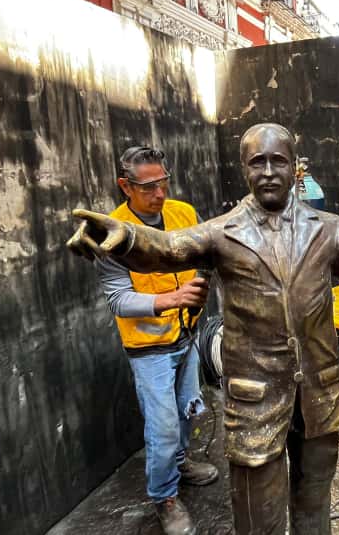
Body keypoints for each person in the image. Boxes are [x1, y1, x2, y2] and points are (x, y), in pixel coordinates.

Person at [67, 124, 339, 535]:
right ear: (244, 168)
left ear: (293, 165)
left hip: (320, 392)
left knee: (315, 500)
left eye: (277, 160)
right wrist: (124, 238)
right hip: (255, 400)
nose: (267, 171)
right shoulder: (221, 232)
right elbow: (166, 249)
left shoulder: (329, 229)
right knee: (257, 517)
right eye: (256, 162)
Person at [95, 146, 219, 535]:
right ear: (125, 186)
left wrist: (202, 280)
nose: (160, 194)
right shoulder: (112, 233)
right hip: (149, 348)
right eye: (149, 187)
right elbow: (118, 300)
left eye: (163, 182)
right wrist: (171, 299)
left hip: (187, 334)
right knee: (162, 428)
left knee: (187, 411)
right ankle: (164, 497)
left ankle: (180, 463)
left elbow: (206, 252)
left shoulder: (183, 213)